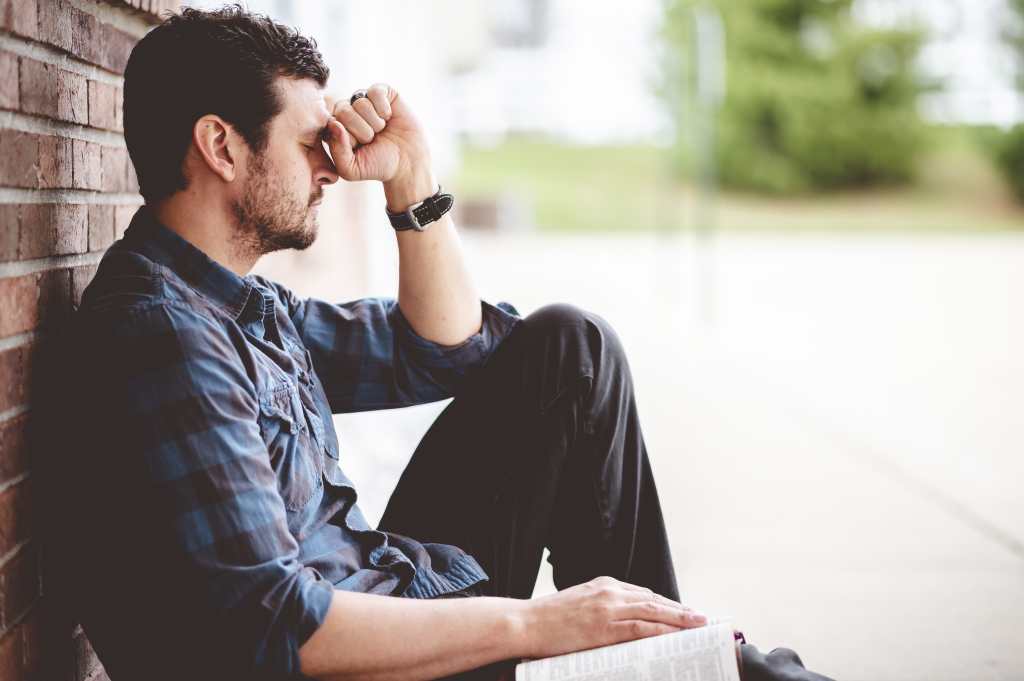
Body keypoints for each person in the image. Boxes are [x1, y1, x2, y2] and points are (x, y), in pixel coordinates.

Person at [38, 5, 834, 681]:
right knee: (747, 670)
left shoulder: (240, 303)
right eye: (311, 141)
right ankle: (665, 660)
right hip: (345, 657)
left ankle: (658, 654)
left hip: (386, 600)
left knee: (567, 349)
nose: (331, 167)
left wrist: (411, 182)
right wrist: (540, 624)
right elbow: (275, 621)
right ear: (221, 147)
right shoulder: (163, 333)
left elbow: (444, 348)